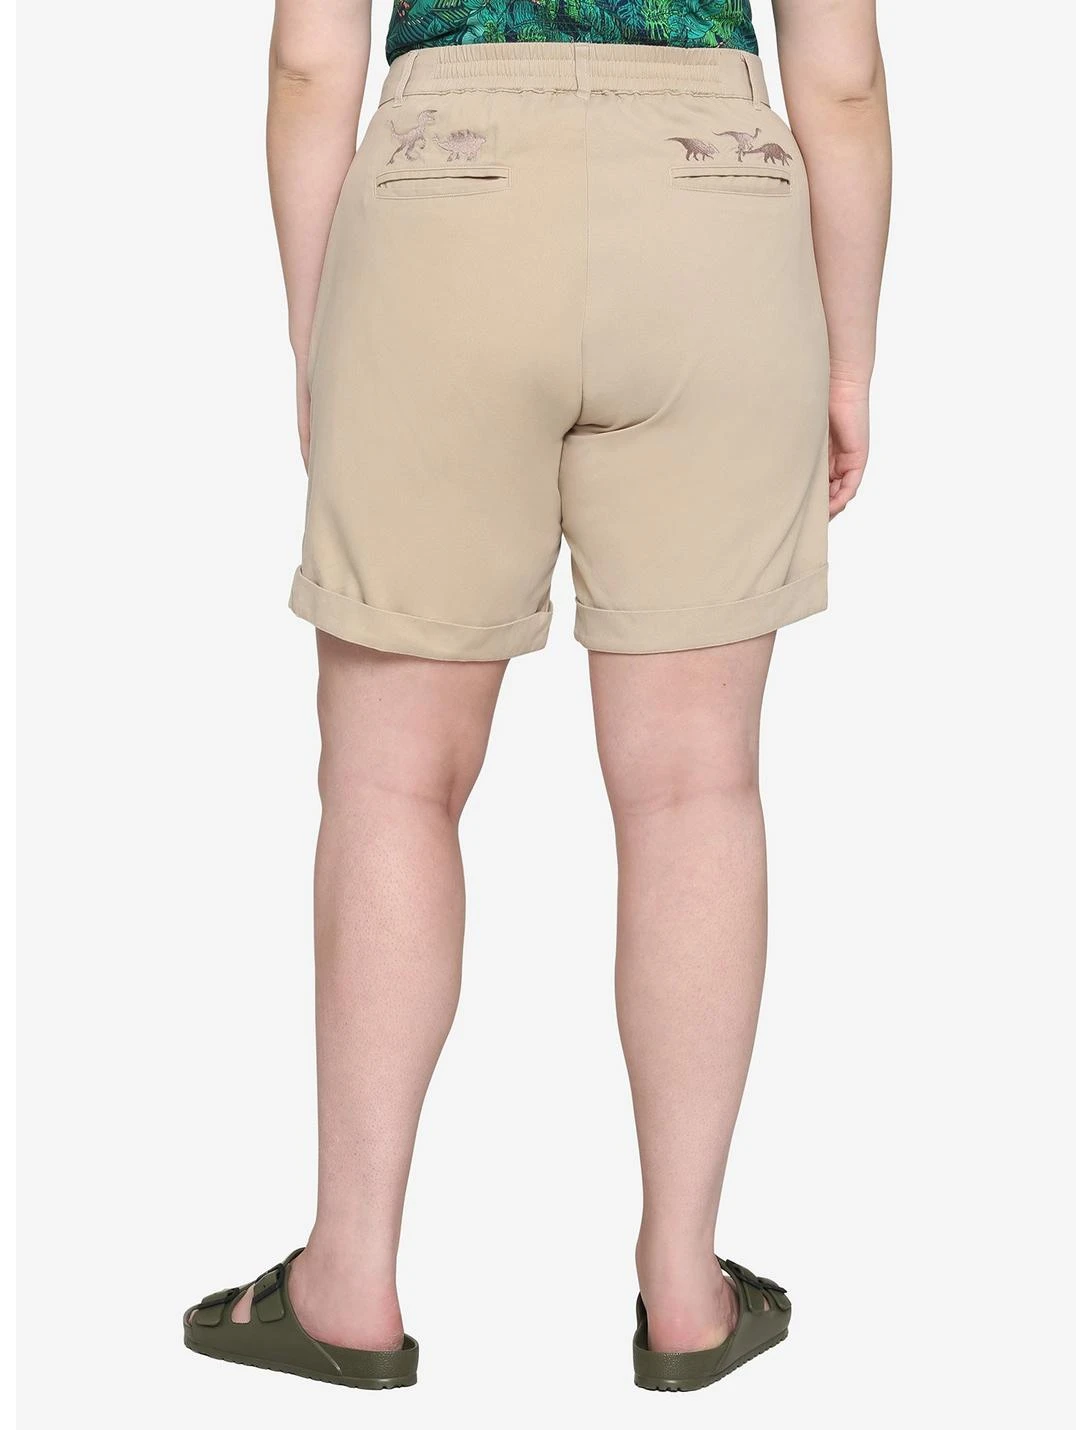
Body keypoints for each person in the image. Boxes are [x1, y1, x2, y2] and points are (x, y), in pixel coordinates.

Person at [184, 0, 890, 1394]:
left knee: (392, 782)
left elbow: (311, 59)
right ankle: (685, 1292)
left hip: (446, 193)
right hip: (713, 204)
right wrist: (849, 357)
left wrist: (324, 326)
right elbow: (846, 79)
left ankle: (348, 1280)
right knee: (694, 785)